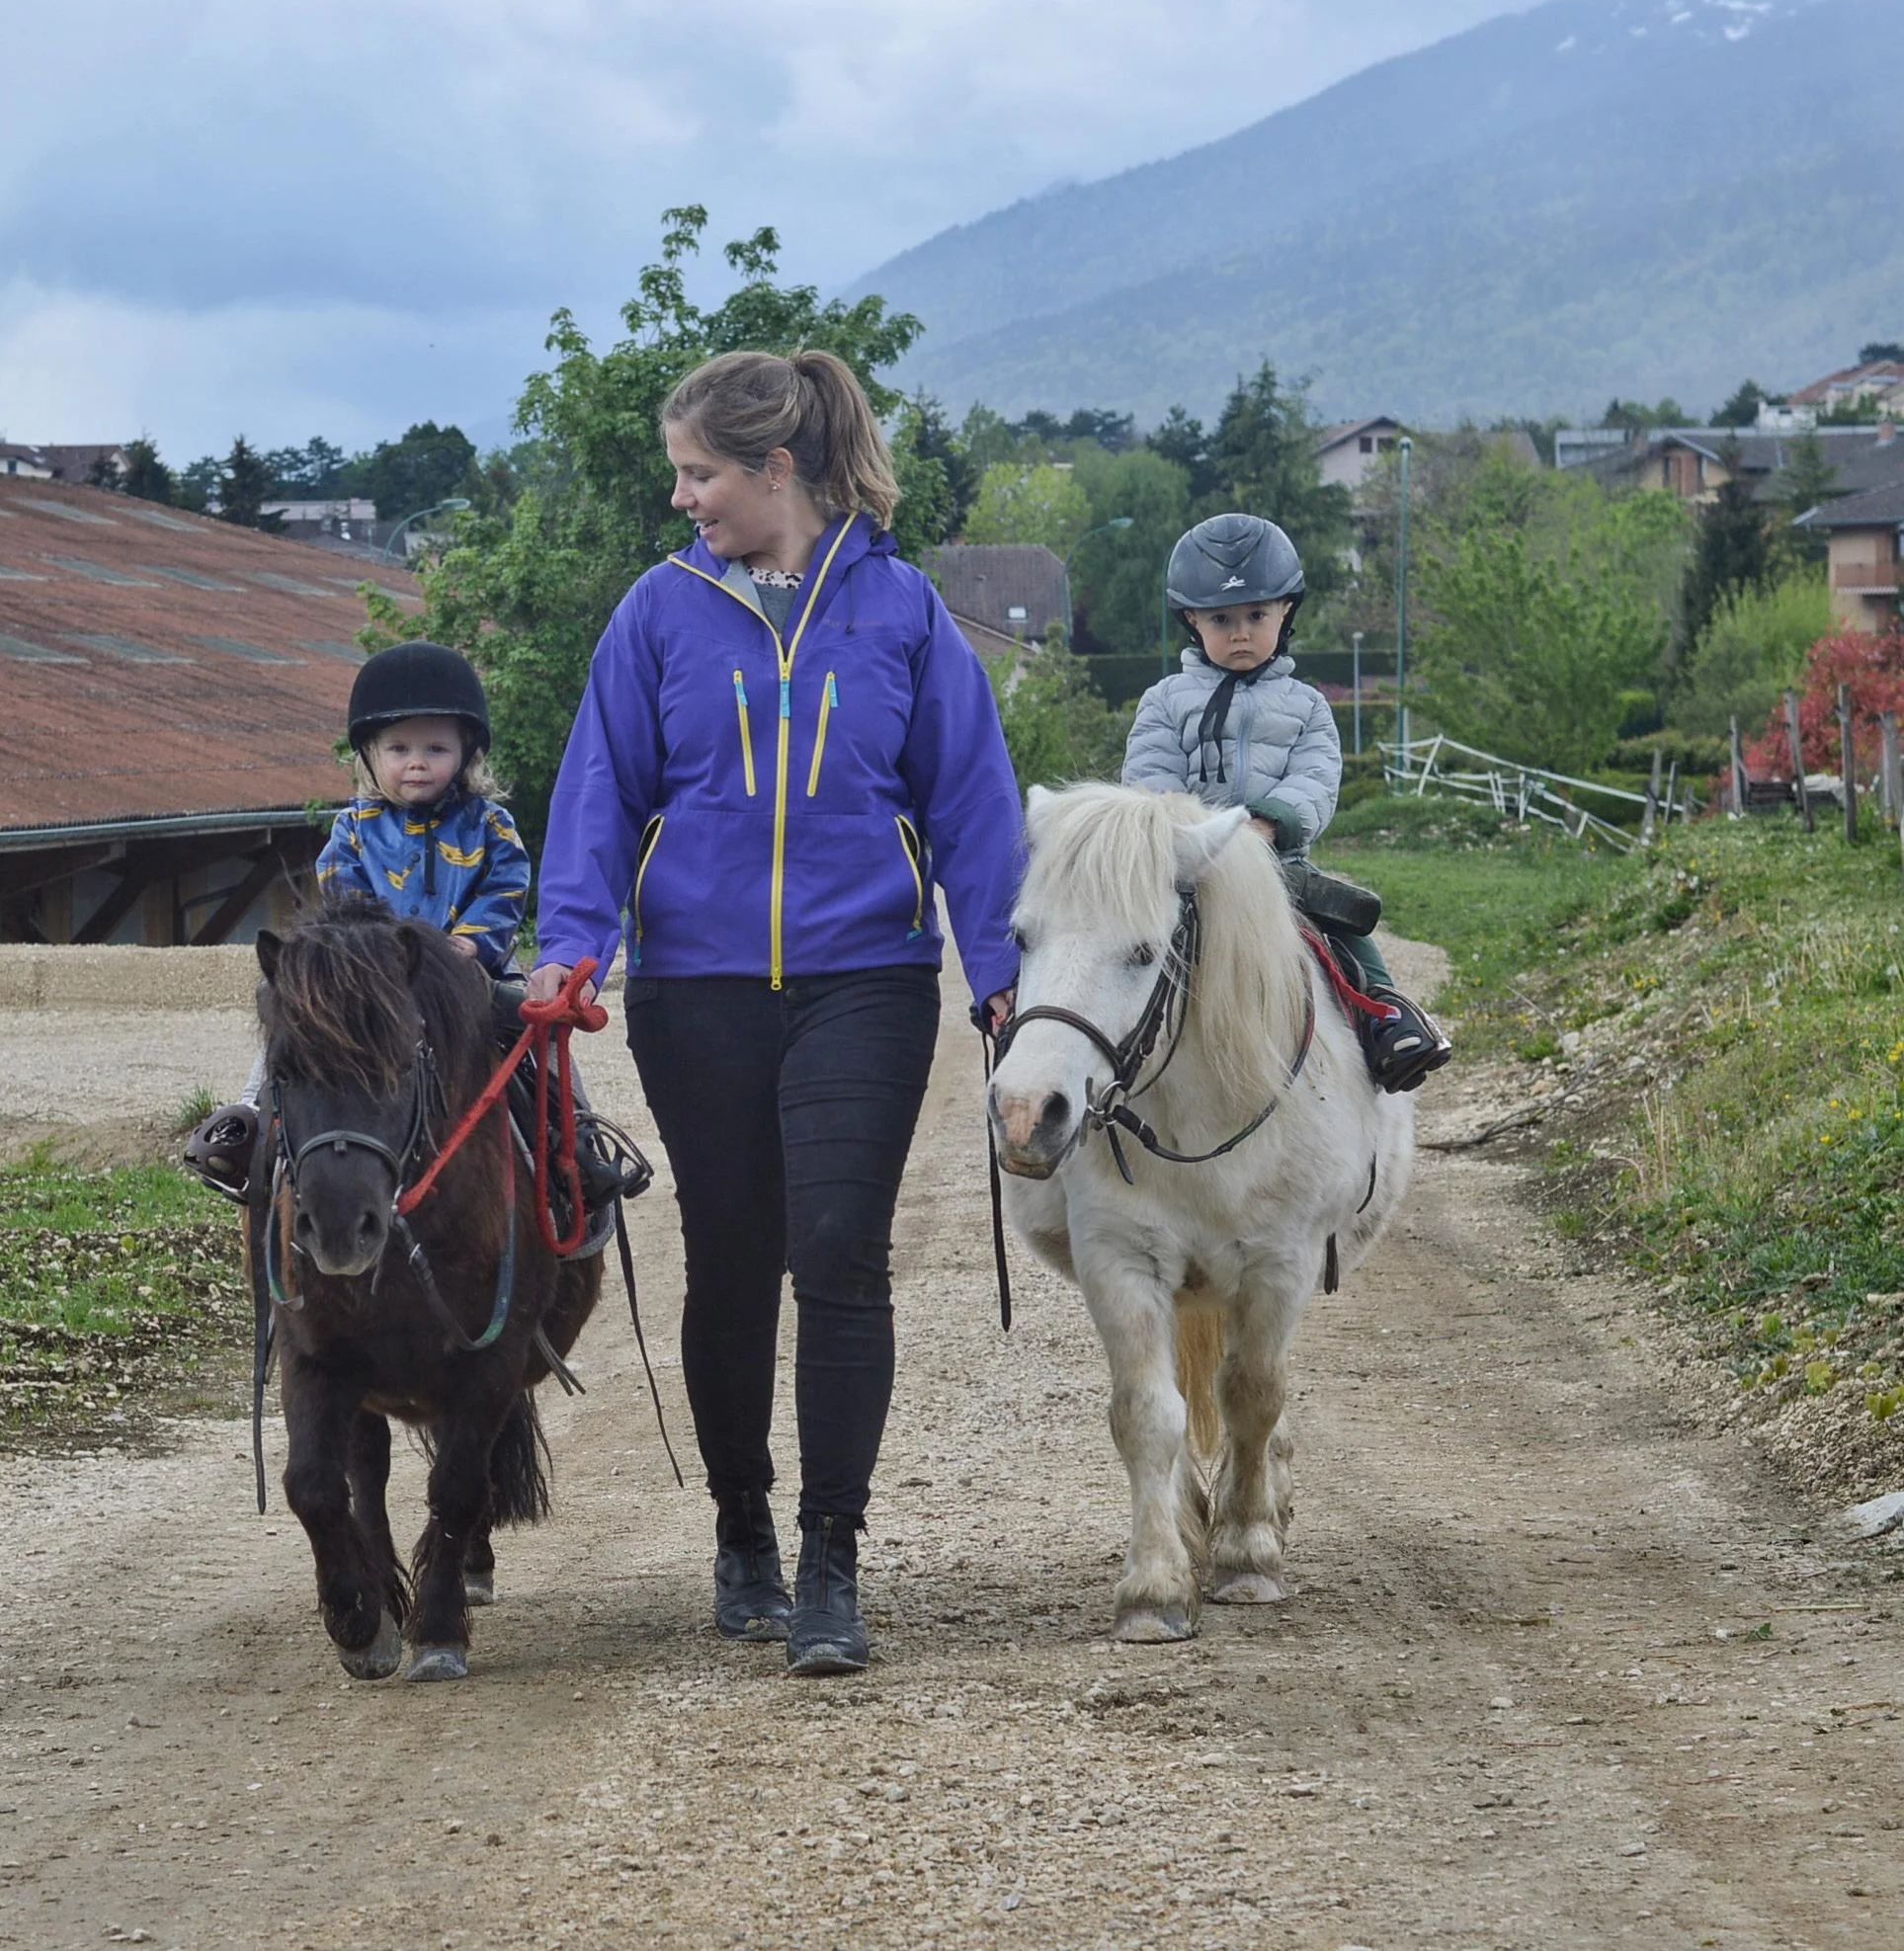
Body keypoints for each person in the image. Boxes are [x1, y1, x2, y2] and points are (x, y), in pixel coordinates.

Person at [529, 348, 1025, 1676]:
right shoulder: (656, 611)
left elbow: (972, 803)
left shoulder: (903, 611)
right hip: (692, 988)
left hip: (862, 976)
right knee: (734, 1258)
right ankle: (740, 1529)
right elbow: (596, 793)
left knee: (839, 1252)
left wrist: (998, 970)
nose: (684, 497)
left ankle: (828, 1560)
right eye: (680, 473)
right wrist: (570, 946)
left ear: (777, 466)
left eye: (700, 473)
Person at [1120, 512, 1450, 1093]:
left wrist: (1272, 822)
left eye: (1256, 615)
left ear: (1285, 613)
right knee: (1116, 942)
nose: (1241, 632)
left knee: (1347, 922)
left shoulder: (1308, 706)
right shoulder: (1164, 702)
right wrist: (1191, 836)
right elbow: (1149, 782)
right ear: (1192, 620)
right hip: (1188, 869)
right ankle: (1105, 1046)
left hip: (1278, 863)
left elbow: (1316, 779)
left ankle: (1387, 1019)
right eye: (1223, 619)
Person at [183, 640, 529, 1192]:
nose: (417, 762)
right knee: (292, 1025)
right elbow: (343, 897)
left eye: (436, 748)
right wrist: (372, 955)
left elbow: (506, 887)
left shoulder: (490, 825)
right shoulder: (354, 828)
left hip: (473, 973)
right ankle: (250, 1123)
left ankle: (573, 1139)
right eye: (399, 748)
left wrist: (471, 944)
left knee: (539, 1034)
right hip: (373, 978)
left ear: (466, 753)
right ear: (369, 754)